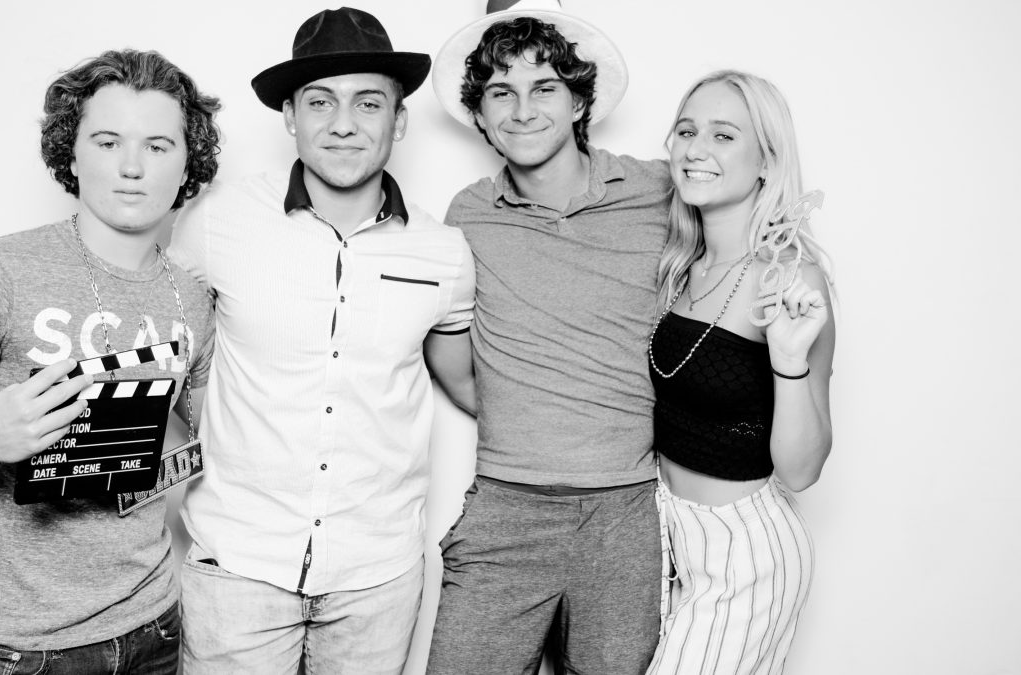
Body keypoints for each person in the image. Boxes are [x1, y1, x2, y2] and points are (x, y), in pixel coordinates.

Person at [168, 7, 475, 674]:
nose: (343, 123)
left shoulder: (444, 253)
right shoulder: (216, 224)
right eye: (320, 101)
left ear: (399, 120)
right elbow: (158, 347)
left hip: (378, 576)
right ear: (289, 116)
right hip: (237, 567)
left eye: (368, 103)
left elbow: (471, 385)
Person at [0, 49, 220, 674]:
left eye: (157, 146)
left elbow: (213, 440)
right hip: (16, 646)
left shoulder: (193, 297)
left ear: (187, 165)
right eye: (107, 142)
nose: (131, 167)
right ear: (71, 154)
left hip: (154, 623)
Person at [426, 2, 670, 672]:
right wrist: (532, 406)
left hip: (627, 511)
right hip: (505, 504)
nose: (522, 110)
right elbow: (453, 356)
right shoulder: (469, 214)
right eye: (501, 92)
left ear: (579, 101)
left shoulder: (657, 192)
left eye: (544, 88)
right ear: (480, 114)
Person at [645, 69, 834, 675]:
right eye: (686, 131)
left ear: (766, 163)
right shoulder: (680, 266)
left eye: (723, 135)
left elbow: (801, 470)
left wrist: (789, 361)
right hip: (668, 539)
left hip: (746, 552)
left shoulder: (789, 277)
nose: (696, 149)